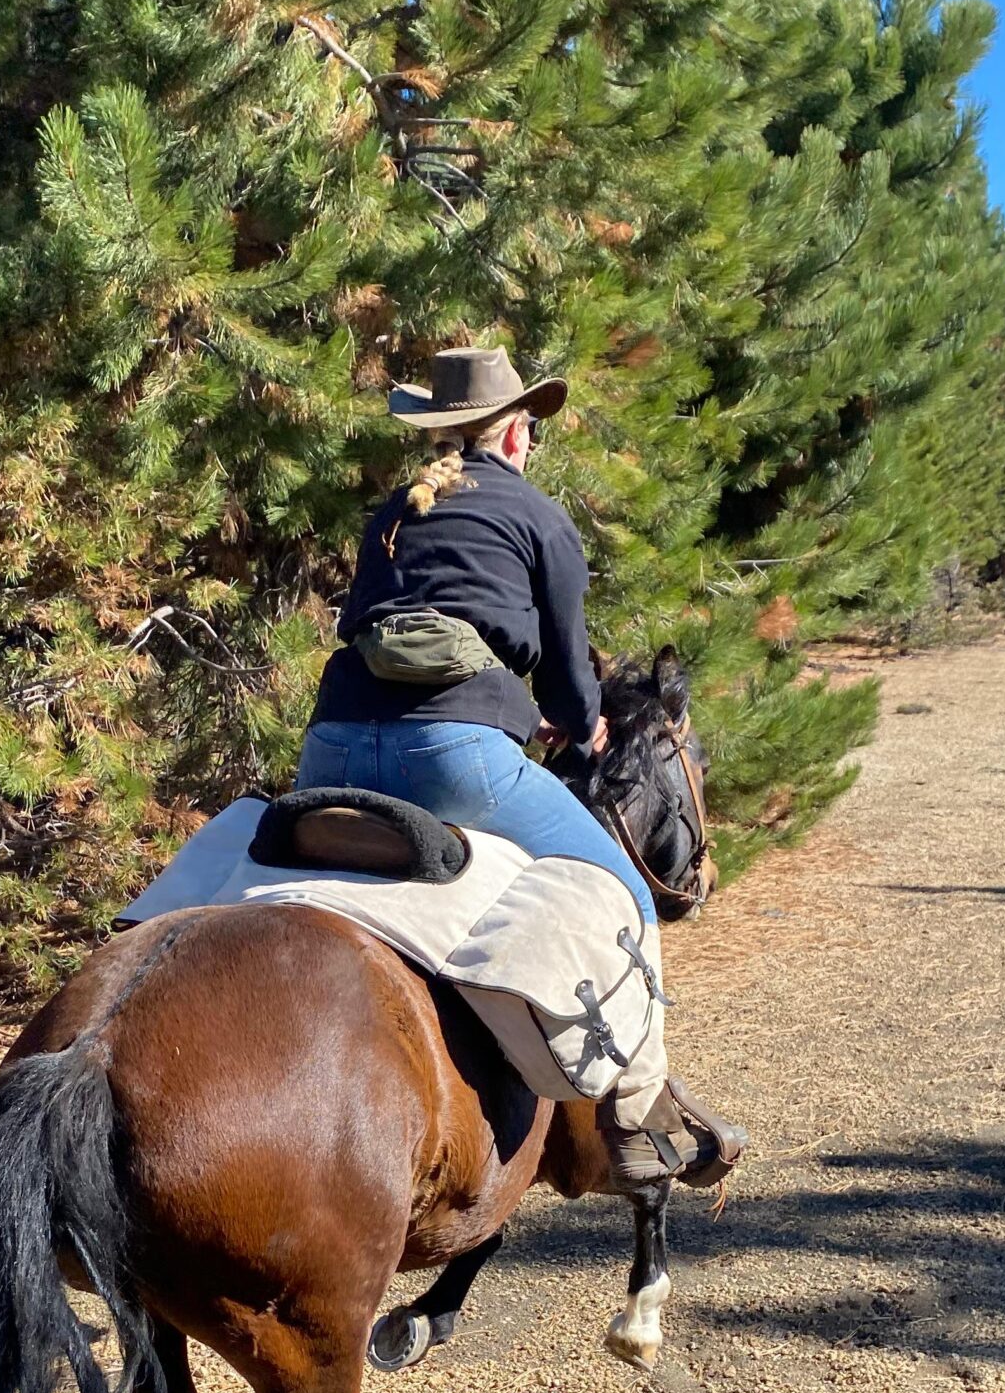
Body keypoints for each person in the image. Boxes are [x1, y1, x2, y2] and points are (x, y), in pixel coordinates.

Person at [296, 344, 743, 1197]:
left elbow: (388, 635)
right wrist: (578, 727)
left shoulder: (390, 514)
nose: (531, 443)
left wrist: (505, 709)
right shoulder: (536, 515)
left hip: (334, 745)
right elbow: (573, 676)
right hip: (454, 759)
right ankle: (636, 1118)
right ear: (509, 436)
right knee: (625, 891)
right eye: (530, 428)